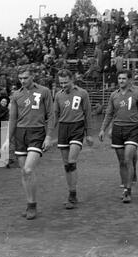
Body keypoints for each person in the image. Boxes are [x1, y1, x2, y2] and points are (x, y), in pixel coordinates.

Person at [3, 64, 53, 220]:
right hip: (20, 133)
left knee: (28, 170)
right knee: (23, 172)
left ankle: (32, 206)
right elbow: (12, 118)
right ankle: (30, 203)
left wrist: (49, 136)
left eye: (25, 78)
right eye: (20, 78)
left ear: (32, 77)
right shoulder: (16, 95)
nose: (22, 81)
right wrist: (7, 139)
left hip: (37, 132)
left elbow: (51, 115)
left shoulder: (44, 91)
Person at [98, 71, 138, 204]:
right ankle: (125, 186)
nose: (121, 81)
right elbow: (109, 113)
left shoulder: (137, 94)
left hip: (132, 129)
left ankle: (128, 190)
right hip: (117, 129)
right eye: (119, 78)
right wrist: (102, 129)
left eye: (124, 78)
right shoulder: (114, 95)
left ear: (130, 80)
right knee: (122, 161)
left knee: (128, 158)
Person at [46, 69, 93, 209]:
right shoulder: (58, 96)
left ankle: (72, 196)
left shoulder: (82, 93)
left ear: (72, 80)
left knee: (72, 161)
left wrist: (89, 133)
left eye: (66, 82)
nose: (63, 85)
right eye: (61, 83)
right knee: (66, 164)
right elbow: (54, 115)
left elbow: (88, 113)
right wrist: (48, 135)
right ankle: (72, 192)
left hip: (77, 128)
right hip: (63, 129)